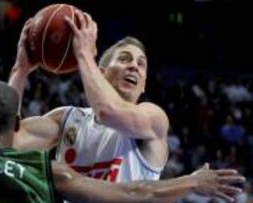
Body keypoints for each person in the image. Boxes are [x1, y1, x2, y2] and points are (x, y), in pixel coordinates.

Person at [0, 80, 245, 203]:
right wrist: (192, 181)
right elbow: (135, 191)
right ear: (18, 122)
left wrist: (21, 67)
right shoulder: (47, 170)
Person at [11, 10, 167, 183]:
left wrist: (84, 55)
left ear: (144, 84)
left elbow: (109, 112)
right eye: (124, 59)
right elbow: (7, 142)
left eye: (141, 64)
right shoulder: (67, 119)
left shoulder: (155, 117)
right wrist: (20, 70)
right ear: (101, 73)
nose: (134, 66)